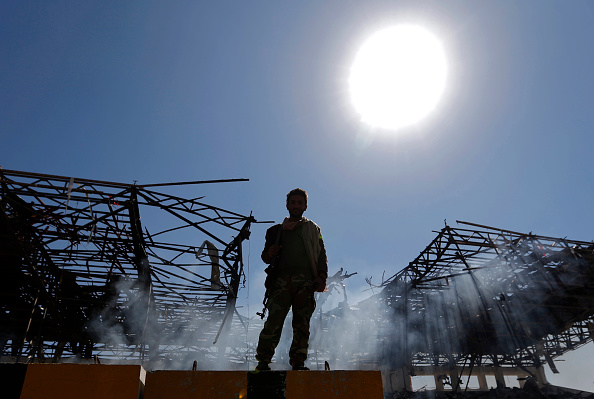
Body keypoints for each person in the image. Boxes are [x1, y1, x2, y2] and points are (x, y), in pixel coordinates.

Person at [255, 188, 328, 371]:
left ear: (305, 206)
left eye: (299, 203)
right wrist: (269, 253)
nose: (296, 206)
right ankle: (263, 360)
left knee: (302, 323)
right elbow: (265, 257)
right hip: (280, 282)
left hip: (305, 282)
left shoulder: (314, 229)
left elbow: (321, 254)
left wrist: (321, 276)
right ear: (287, 205)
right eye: (293, 202)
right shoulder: (274, 231)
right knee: (274, 321)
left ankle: (298, 361)